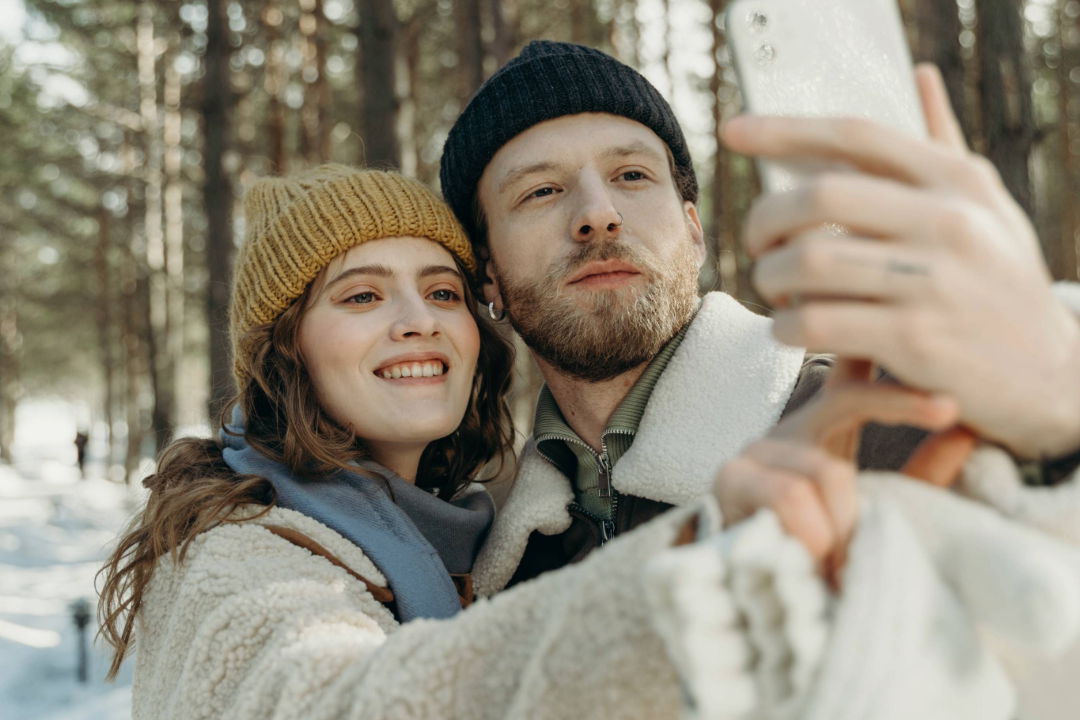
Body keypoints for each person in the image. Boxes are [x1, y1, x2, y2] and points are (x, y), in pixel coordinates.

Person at [101, 165, 949, 719]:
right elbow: (324, 698)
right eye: (360, 298)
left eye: (441, 290)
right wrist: (679, 595)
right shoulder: (241, 546)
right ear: (286, 348)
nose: (415, 322)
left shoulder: (474, 526)